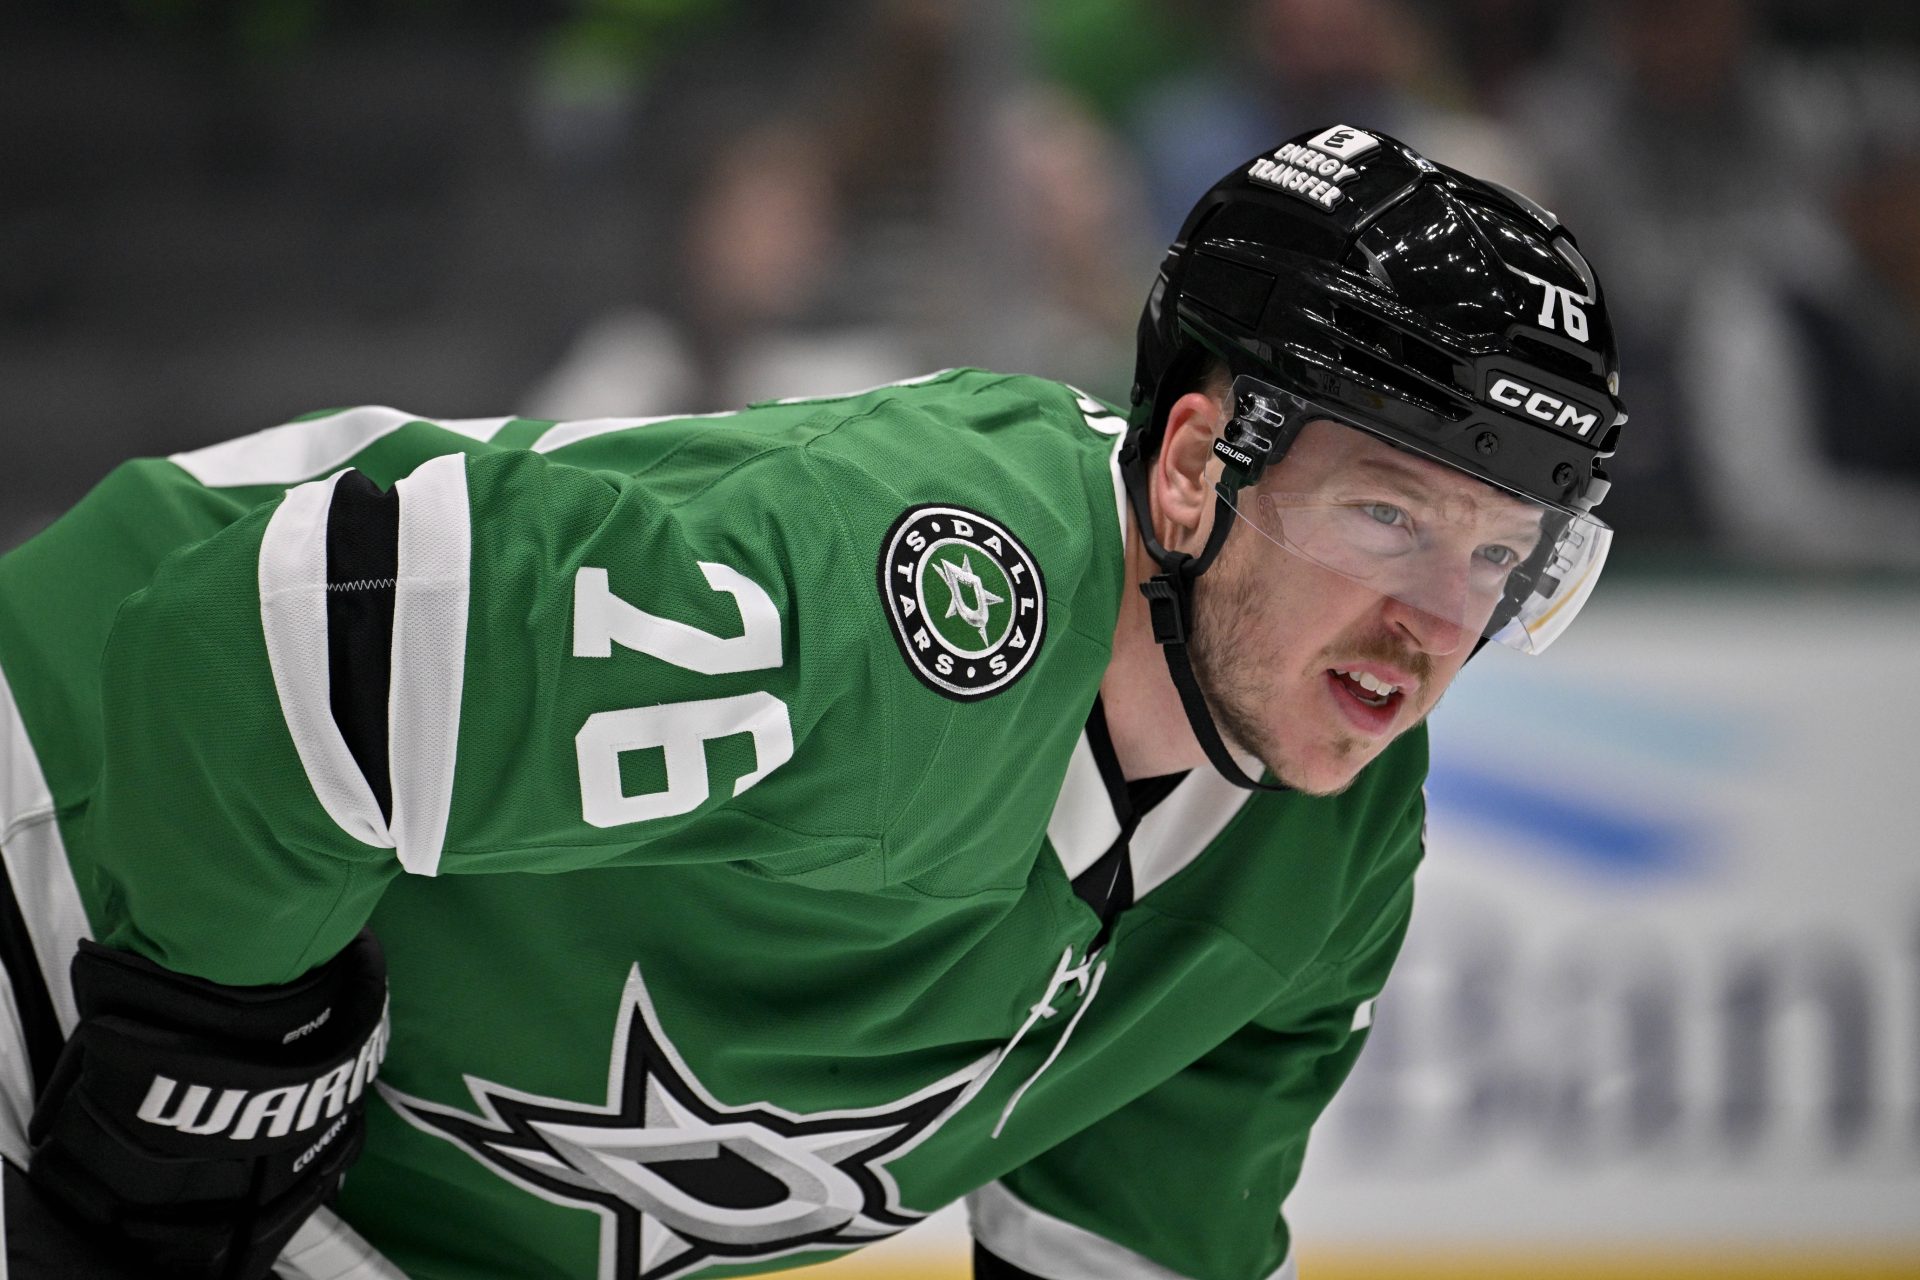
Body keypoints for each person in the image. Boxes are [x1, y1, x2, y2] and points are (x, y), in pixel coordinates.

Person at [0, 124, 1625, 1280]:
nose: (1430, 627)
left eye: (1499, 559)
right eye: (1388, 514)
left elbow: (1132, 1242)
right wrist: (223, 1054)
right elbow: (267, 635)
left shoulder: (1324, 855)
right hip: (62, 880)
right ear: (1200, 467)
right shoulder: (908, 600)